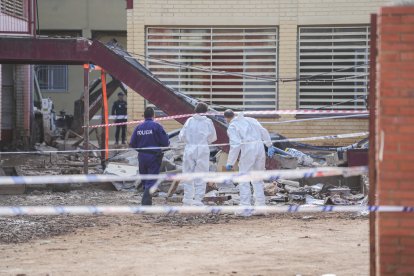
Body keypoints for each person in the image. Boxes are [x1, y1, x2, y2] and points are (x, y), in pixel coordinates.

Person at [224, 109, 278, 207]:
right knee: (258, 178)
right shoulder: (251, 120)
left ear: (226, 118)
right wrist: (269, 145)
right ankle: (260, 207)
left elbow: (235, 145)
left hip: (248, 149)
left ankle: (245, 206)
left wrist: (230, 162)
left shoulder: (232, 126)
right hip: (260, 147)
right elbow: (263, 131)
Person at [179, 102, 217, 206]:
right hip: (202, 149)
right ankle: (198, 200)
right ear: (206, 111)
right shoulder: (208, 122)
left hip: (190, 148)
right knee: (201, 175)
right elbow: (213, 137)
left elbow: (181, 136)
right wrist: (204, 141)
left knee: (188, 174)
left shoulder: (189, 121)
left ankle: (187, 199)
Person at [130, 107, 170, 205]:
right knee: (151, 180)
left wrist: (140, 149)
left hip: (142, 156)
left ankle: (147, 200)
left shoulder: (138, 127)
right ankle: (146, 203)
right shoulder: (157, 126)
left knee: (144, 179)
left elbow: (132, 143)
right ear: (153, 115)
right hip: (153, 156)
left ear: (144, 116)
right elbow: (165, 142)